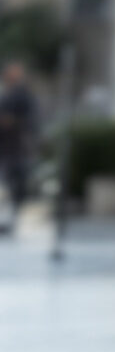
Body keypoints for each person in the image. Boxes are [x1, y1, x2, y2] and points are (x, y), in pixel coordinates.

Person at [0, 62, 37, 229]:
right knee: (9, 184)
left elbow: (30, 120)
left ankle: (11, 219)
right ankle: (8, 218)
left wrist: (12, 122)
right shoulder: (7, 94)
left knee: (16, 185)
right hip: (7, 148)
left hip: (17, 148)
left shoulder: (22, 95)